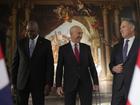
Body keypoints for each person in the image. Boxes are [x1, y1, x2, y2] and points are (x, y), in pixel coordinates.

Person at [11, 20, 54, 105]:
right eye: (28, 31)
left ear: (37, 30)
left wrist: (48, 83)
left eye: (32, 31)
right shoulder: (20, 43)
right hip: (22, 82)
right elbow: (15, 64)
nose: (29, 33)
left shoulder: (46, 44)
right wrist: (13, 83)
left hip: (39, 83)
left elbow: (50, 65)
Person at [55, 25, 99, 105]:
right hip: (69, 84)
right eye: (78, 33)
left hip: (85, 84)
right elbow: (59, 68)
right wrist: (58, 85)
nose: (80, 35)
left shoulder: (86, 48)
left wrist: (96, 82)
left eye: (81, 33)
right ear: (71, 34)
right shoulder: (63, 49)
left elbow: (92, 66)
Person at [109, 18, 140, 105]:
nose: (120, 30)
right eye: (120, 28)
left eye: (123, 27)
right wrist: (113, 68)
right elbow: (111, 64)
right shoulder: (116, 47)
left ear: (132, 28)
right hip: (118, 89)